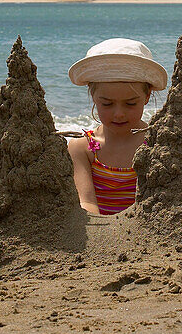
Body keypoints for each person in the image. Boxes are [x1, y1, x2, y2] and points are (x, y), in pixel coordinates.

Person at [66, 38, 168, 215]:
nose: (119, 113)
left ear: (147, 96)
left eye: (130, 104)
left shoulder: (157, 144)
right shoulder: (82, 149)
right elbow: (86, 203)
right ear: (93, 96)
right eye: (107, 104)